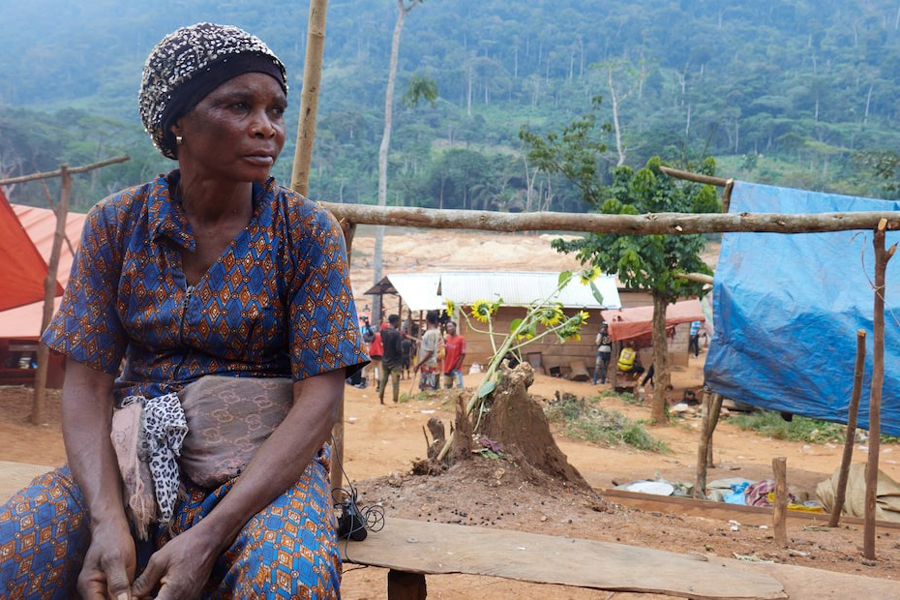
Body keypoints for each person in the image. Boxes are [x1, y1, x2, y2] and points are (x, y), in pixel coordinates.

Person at [0, 23, 367, 599]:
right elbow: (87, 379)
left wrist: (212, 534)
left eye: (275, 109)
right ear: (177, 122)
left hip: (262, 474)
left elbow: (320, 396)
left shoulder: (305, 232)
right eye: (239, 105)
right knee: (16, 546)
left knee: (288, 580)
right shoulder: (117, 225)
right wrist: (106, 521)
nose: (266, 127)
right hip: (132, 463)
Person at [378, 314, 404, 404]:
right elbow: (398, 349)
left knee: (383, 380)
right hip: (395, 362)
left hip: (385, 359)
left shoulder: (383, 331)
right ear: (396, 321)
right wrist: (402, 353)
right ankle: (395, 401)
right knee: (395, 382)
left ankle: (381, 399)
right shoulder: (396, 334)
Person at [415, 310, 442, 390]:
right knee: (433, 388)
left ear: (427, 320)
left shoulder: (430, 333)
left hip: (428, 365)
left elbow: (430, 351)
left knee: (429, 389)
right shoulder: (436, 332)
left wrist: (419, 364)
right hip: (431, 363)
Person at [441, 320, 466, 389]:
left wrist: (456, 367)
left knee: (460, 388)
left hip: (456, 369)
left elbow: (463, 354)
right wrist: (444, 343)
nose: (448, 328)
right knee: (447, 389)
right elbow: (443, 352)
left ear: (455, 327)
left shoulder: (461, 339)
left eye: (450, 326)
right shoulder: (446, 338)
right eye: (447, 327)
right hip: (447, 368)